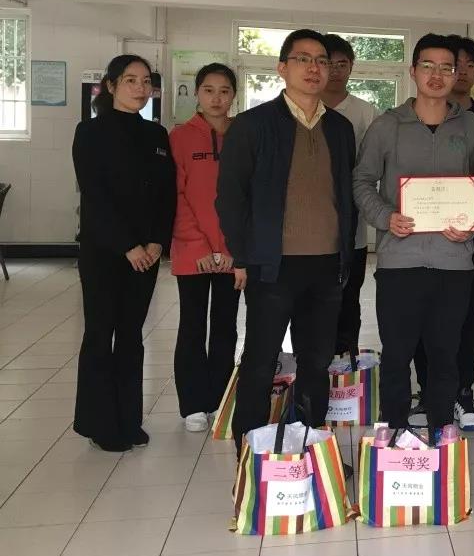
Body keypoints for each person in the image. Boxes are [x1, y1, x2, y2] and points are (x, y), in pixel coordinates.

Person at [217, 29, 356, 456]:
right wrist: (242, 256)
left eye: (321, 60)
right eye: (303, 59)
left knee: (316, 362)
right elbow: (230, 197)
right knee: (261, 359)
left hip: (327, 265)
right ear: (282, 68)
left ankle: (310, 449)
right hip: (272, 266)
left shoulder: (340, 128)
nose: (314, 68)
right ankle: (251, 451)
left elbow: (344, 194)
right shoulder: (253, 125)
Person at [354, 34, 474, 442]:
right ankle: (394, 432)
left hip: (454, 261)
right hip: (400, 260)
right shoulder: (387, 125)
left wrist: (473, 220)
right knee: (397, 354)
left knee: (445, 352)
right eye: (428, 66)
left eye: (446, 68)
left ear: (457, 74)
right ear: (413, 71)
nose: (437, 75)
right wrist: (386, 216)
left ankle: (441, 430)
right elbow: (362, 181)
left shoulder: (470, 126)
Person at [72, 55, 176, 452]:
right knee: (101, 333)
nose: (140, 88)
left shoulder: (156, 134)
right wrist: (127, 246)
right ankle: (100, 423)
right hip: (104, 250)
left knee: (132, 335)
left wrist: (156, 242)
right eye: (130, 80)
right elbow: (95, 196)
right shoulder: (90, 132)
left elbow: (166, 195)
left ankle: (129, 419)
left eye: (146, 81)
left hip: (146, 253)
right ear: (111, 85)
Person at [411, 35, 474, 430]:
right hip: (419, 238)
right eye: (455, 64)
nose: (460, 71)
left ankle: (463, 392)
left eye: (468, 65)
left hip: (471, 238)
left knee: (466, 316)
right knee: (422, 317)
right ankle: (428, 391)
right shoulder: (410, 119)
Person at [169, 63, 241, 433]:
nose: (217, 98)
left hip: (232, 254)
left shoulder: (244, 135)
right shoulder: (180, 137)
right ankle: (193, 404)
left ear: (234, 96)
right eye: (209, 90)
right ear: (197, 93)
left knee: (226, 327)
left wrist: (231, 248)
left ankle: (218, 400)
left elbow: (248, 196)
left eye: (224, 90)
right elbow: (176, 196)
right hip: (191, 252)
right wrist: (198, 245)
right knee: (192, 326)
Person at [320, 34, 378, 355]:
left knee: (348, 299)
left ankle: (346, 366)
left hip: (351, 229)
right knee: (313, 304)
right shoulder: (301, 107)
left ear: (352, 67)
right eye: (329, 64)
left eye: (342, 64)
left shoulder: (366, 113)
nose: (336, 71)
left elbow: (372, 170)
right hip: (308, 231)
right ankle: (313, 369)